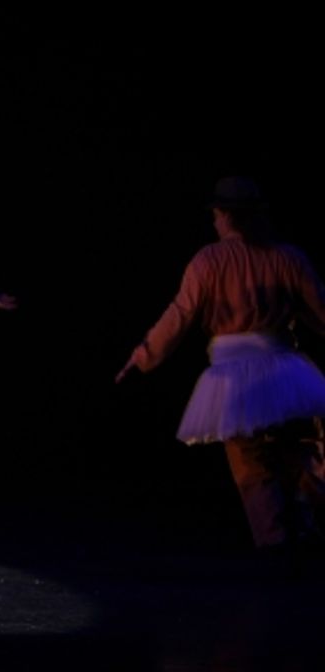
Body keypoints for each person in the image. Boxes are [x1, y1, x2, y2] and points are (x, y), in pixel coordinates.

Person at [116, 176, 325, 554]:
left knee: (251, 466)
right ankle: (307, 525)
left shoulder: (210, 261)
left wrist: (142, 357)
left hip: (236, 376)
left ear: (226, 216)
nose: (214, 221)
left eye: (216, 214)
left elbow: (179, 316)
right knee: (304, 451)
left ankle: (275, 544)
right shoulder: (288, 258)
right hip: (284, 370)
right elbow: (320, 312)